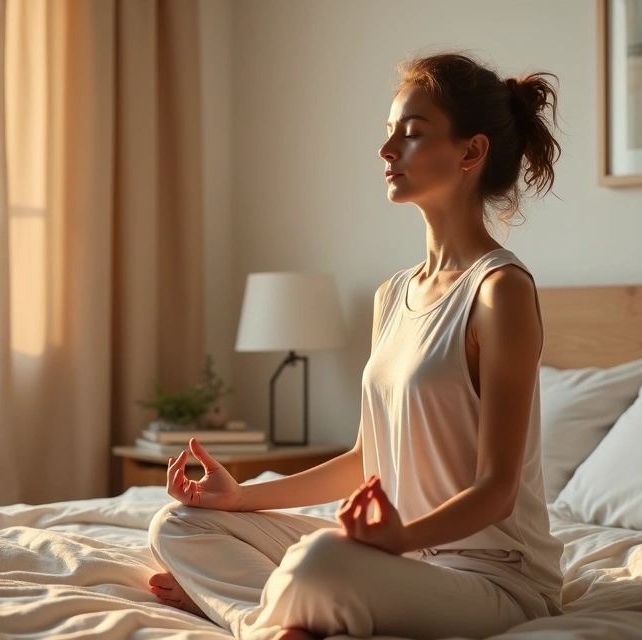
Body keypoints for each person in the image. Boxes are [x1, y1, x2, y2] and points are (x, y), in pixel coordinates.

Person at [147, 51, 565, 640]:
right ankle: (270, 616)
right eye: (390, 131)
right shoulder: (392, 295)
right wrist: (239, 499)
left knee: (321, 560)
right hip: (398, 561)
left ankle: (255, 615)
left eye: (411, 133)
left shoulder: (501, 292)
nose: (387, 150)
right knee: (179, 523)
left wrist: (398, 539)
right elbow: (368, 459)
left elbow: (497, 491)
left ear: (471, 152)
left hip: (493, 580)